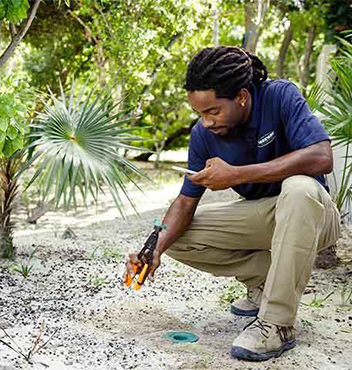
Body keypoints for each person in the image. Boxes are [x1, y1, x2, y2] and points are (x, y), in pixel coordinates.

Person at [124, 46, 340, 361]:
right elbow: (186, 201)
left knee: (298, 189)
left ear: (241, 96)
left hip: (312, 216)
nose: (207, 122)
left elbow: (322, 157)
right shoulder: (203, 134)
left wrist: (237, 174)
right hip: (265, 220)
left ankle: (278, 323)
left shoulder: (279, 96)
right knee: (175, 236)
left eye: (213, 111)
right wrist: (153, 249)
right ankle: (264, 284)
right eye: (200, 113)